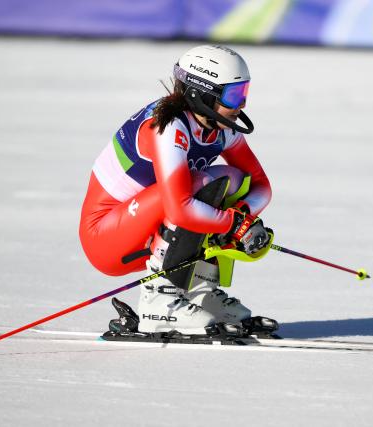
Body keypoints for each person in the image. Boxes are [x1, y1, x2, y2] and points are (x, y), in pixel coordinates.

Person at [79, 45, 273, 337]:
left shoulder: (221, 127)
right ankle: (159, 301)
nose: (241, 105)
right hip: (106, 239)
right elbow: (179, 208)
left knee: (233, 180)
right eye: (234, 96)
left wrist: (242, 214)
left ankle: (199, 292)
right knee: (198, 187)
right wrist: (233, 224)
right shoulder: (167, 127)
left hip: (147, 227)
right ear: (201, 93)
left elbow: (261, 186)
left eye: (244, 93)